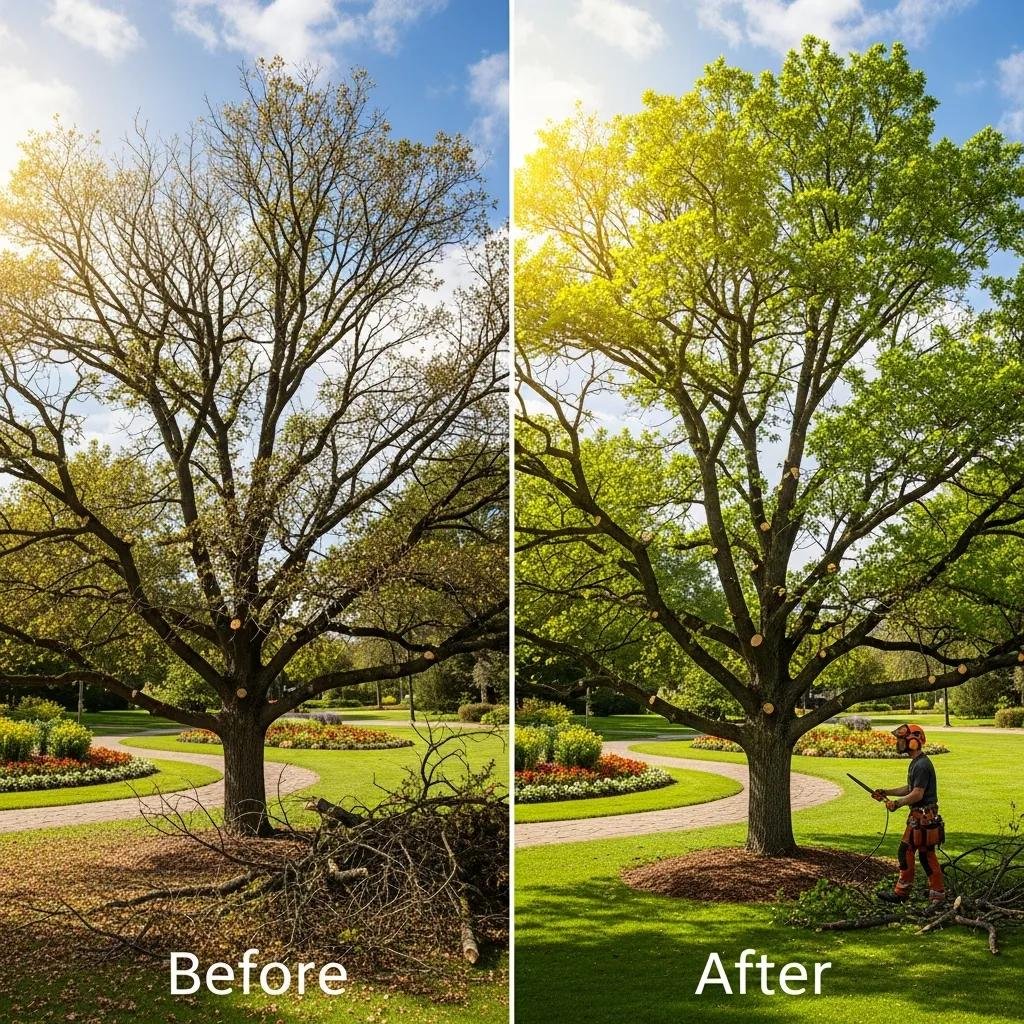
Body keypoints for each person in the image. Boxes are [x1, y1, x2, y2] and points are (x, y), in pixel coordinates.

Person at [871, 723, 945, 904]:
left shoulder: (921, 765)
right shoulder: (917, 763)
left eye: (902, 739)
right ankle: (934, 895)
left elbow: (918, 794)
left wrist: (897, 804)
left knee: (914, 853)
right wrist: (886, 792)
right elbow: (910, 788)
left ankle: (906, 894)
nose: (899, 743)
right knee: (921, 854)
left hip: (923, 818)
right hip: (920, 817)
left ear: (913, 741)